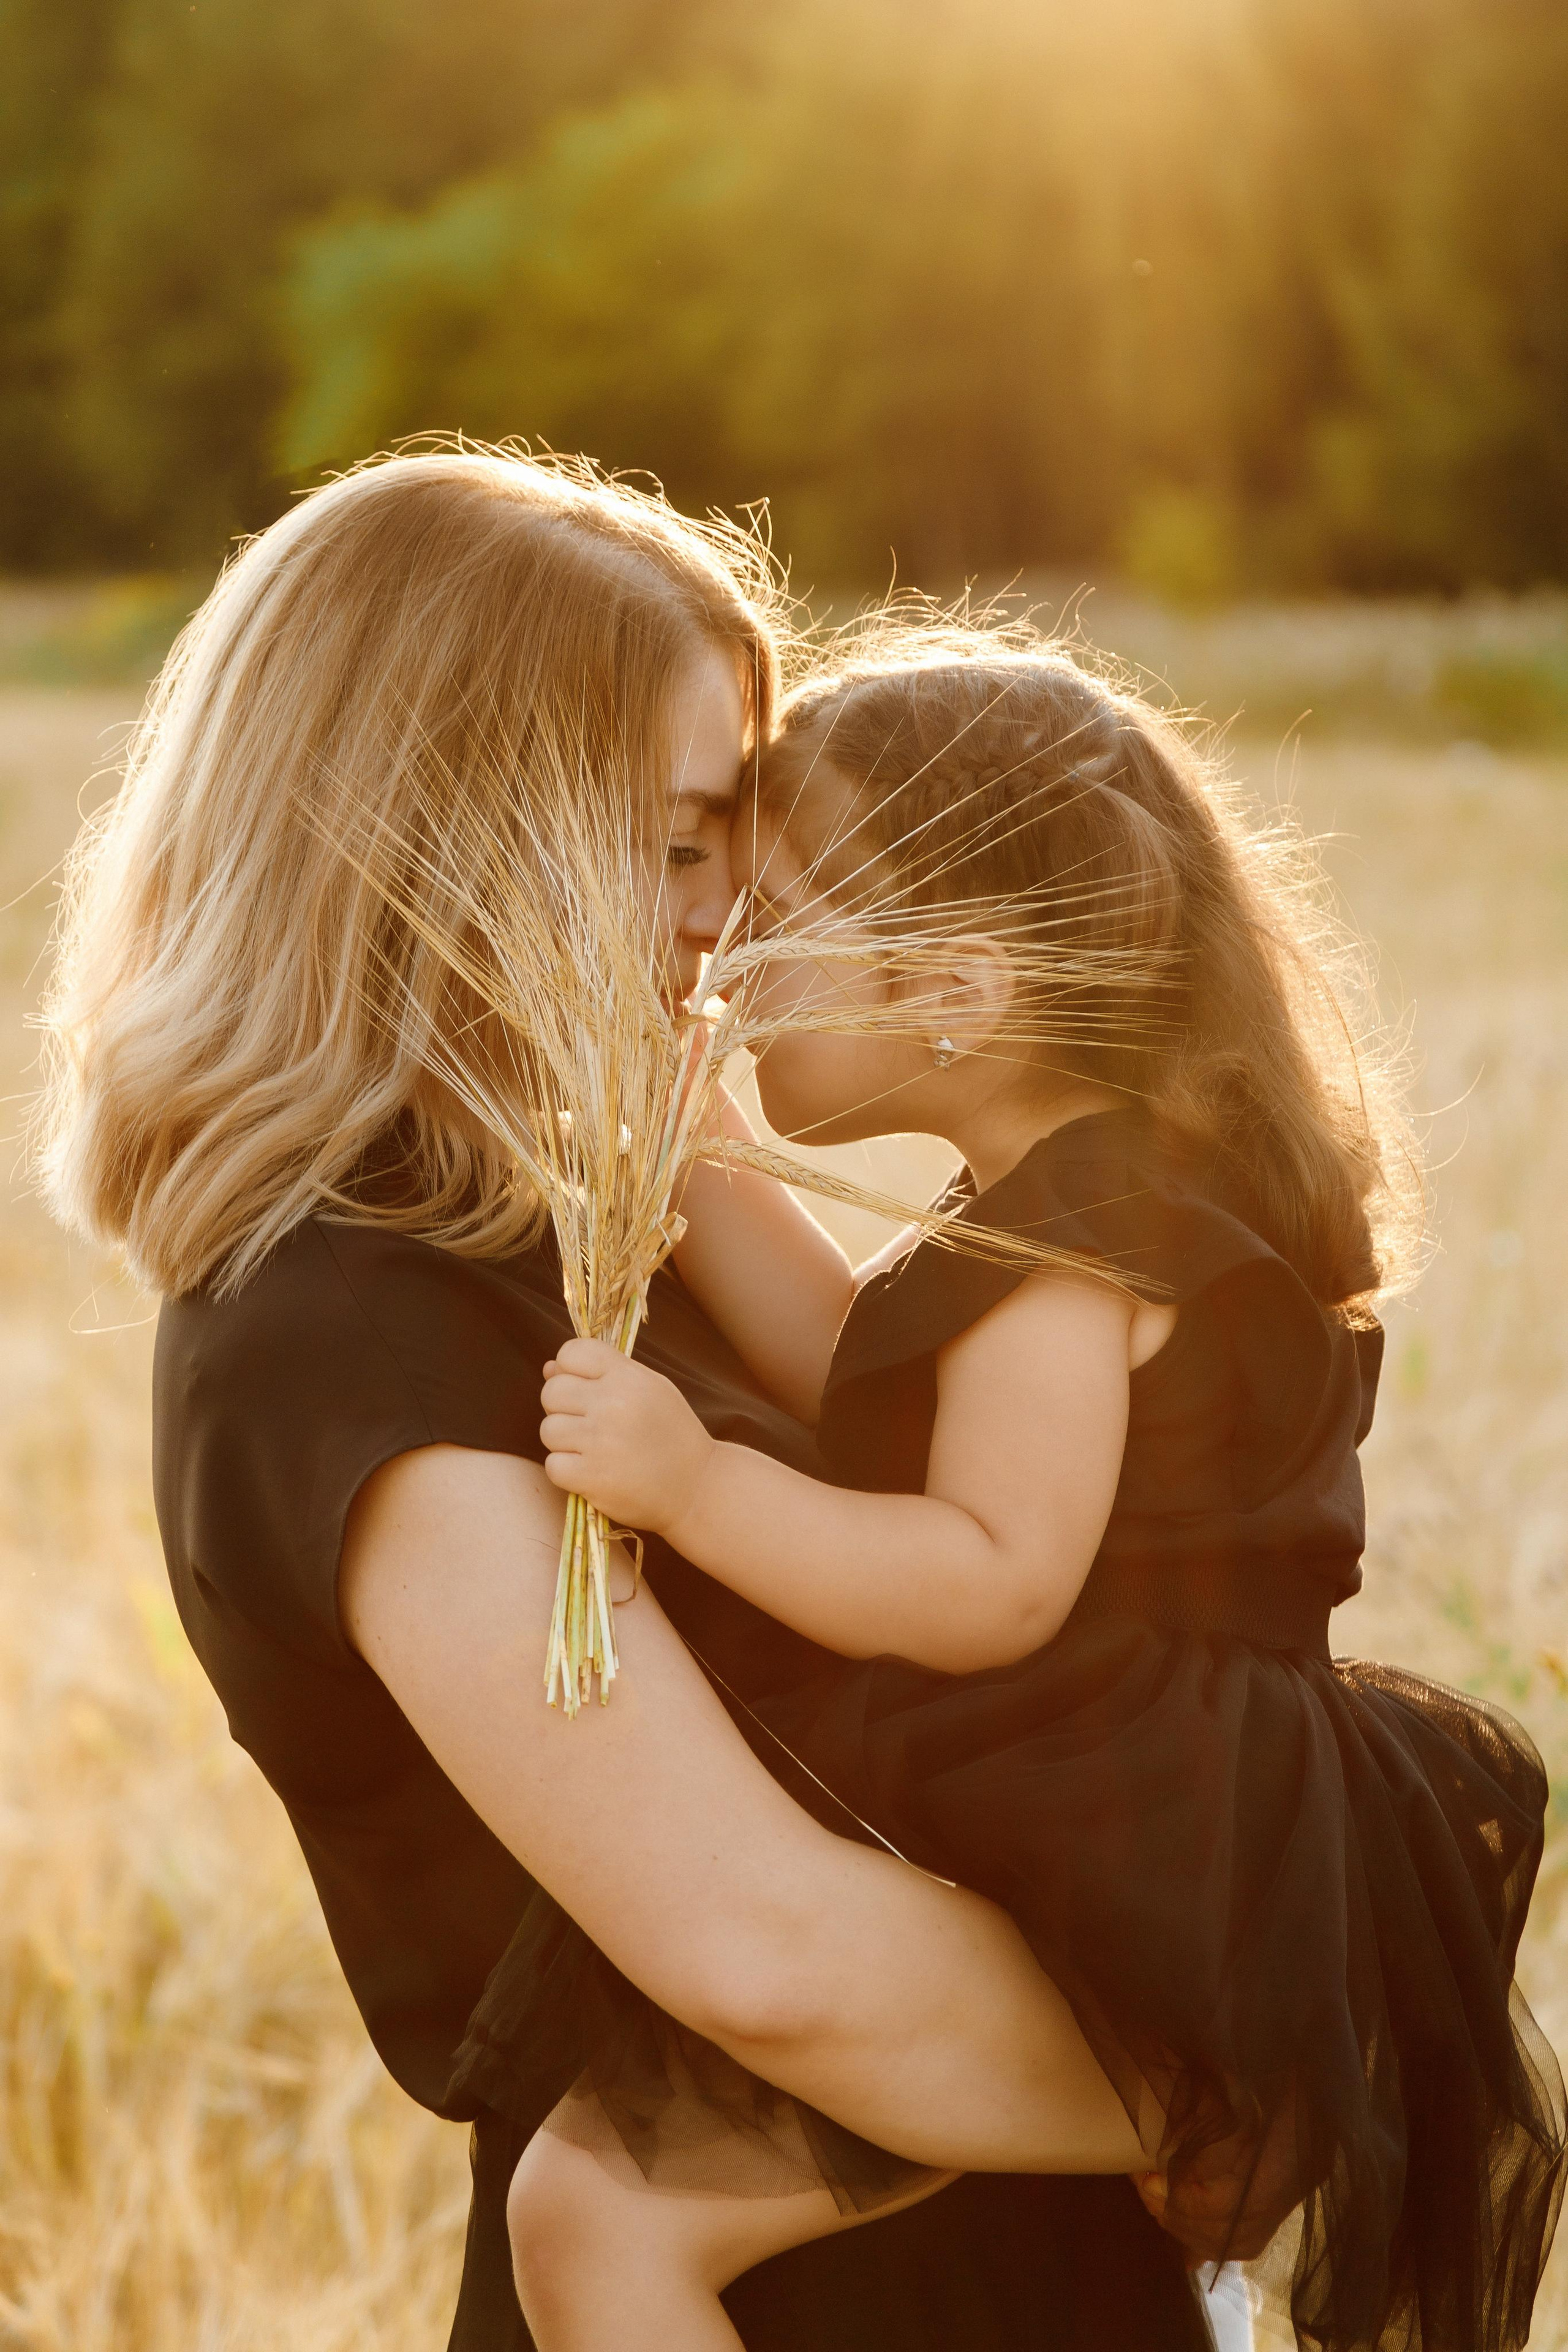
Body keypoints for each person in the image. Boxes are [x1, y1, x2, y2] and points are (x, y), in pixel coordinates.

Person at [36, 450, 1217, 2350]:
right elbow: (770, 1953)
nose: (726, 918)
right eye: (676, 844)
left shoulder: (588, 1214)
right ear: (430, 834)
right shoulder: (340, 1333)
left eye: (733, 846)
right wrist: (1272, 2075)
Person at [484, 641, 1567, 2349]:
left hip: (1120, 1837)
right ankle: (1202, 2143)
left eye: (777, 919)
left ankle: (1214, 2089)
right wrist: (670, 1153)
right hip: (1103, 1797)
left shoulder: (1078, 1254)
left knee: (593, 2215)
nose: (730, 964)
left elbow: (990, 1574)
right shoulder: (1066, 1205)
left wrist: (692, 1490)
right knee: (606, 2207)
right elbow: (866, 1375)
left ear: (959, 993)